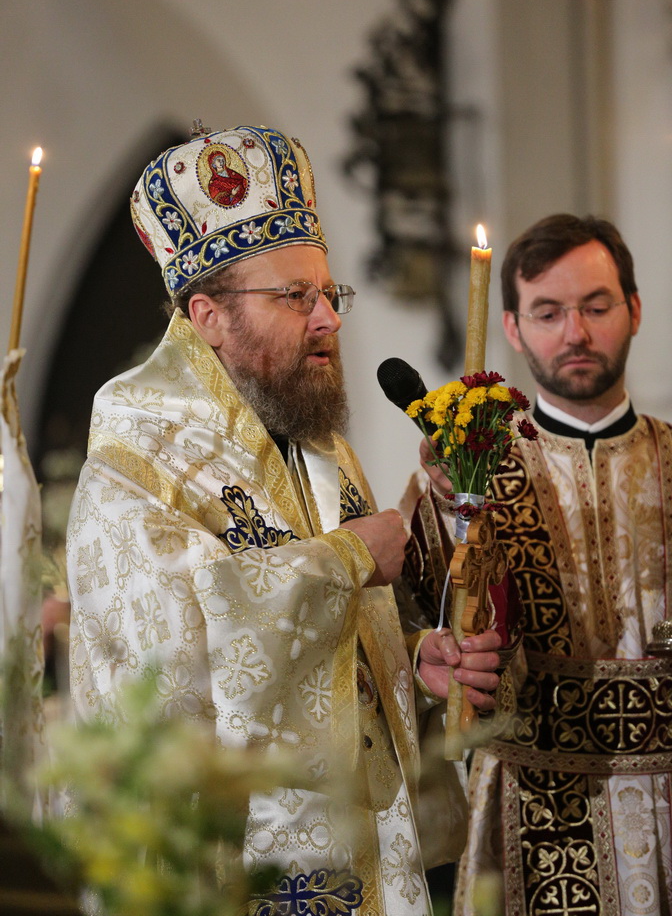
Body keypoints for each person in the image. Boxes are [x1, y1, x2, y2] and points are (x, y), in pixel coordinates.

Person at [66, 123, 501, 915]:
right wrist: (345, 560)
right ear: (209, 316)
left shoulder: (315, 443)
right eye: (296, 297)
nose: (328, 318)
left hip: (363, 852)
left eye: (330, 294)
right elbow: (170, 661)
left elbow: (336, 637)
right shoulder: (135, 461)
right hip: (237, 863)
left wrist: (409, 659)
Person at [408, 213, 672, 915]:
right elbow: (415, 629)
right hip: (532, 804)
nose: (574, 332)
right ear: (513, 328)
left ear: (635, 309)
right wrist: (432, 652)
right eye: (548, 313)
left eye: (596, 306)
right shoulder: (465, 477)